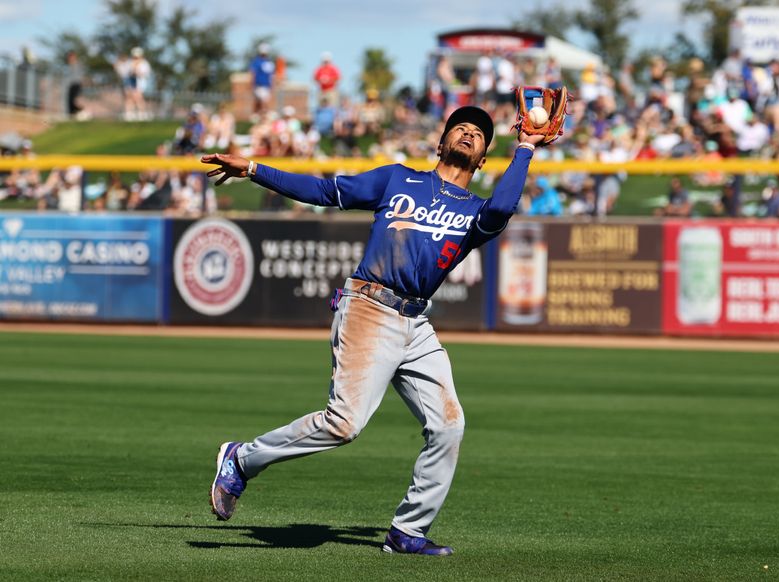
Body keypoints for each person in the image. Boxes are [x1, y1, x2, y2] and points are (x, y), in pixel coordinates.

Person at [201, 106, 544, 556]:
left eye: (478, 133)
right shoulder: (398, 180)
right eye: (458, 126)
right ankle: (242, 459)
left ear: (482, 159)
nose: (467, 132)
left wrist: (525, 149)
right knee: (344, 425)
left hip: (416, 324)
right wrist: (253, 168)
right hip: (368, 306)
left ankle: (408, 532)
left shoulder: (477, 213)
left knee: (449, 425)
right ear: (439, 144)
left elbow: (503, 206)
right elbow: (324, 190)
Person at [250, 43, 276, 117]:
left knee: (264, 101)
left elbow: (272, 76)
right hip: (259, 85)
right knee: (259, 101)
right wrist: (252, 84)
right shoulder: (256, 62)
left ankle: (264, 114)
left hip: (266, 85)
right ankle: (256, 114)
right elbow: (253, 73)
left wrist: (272, 86)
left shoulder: (269, 63)